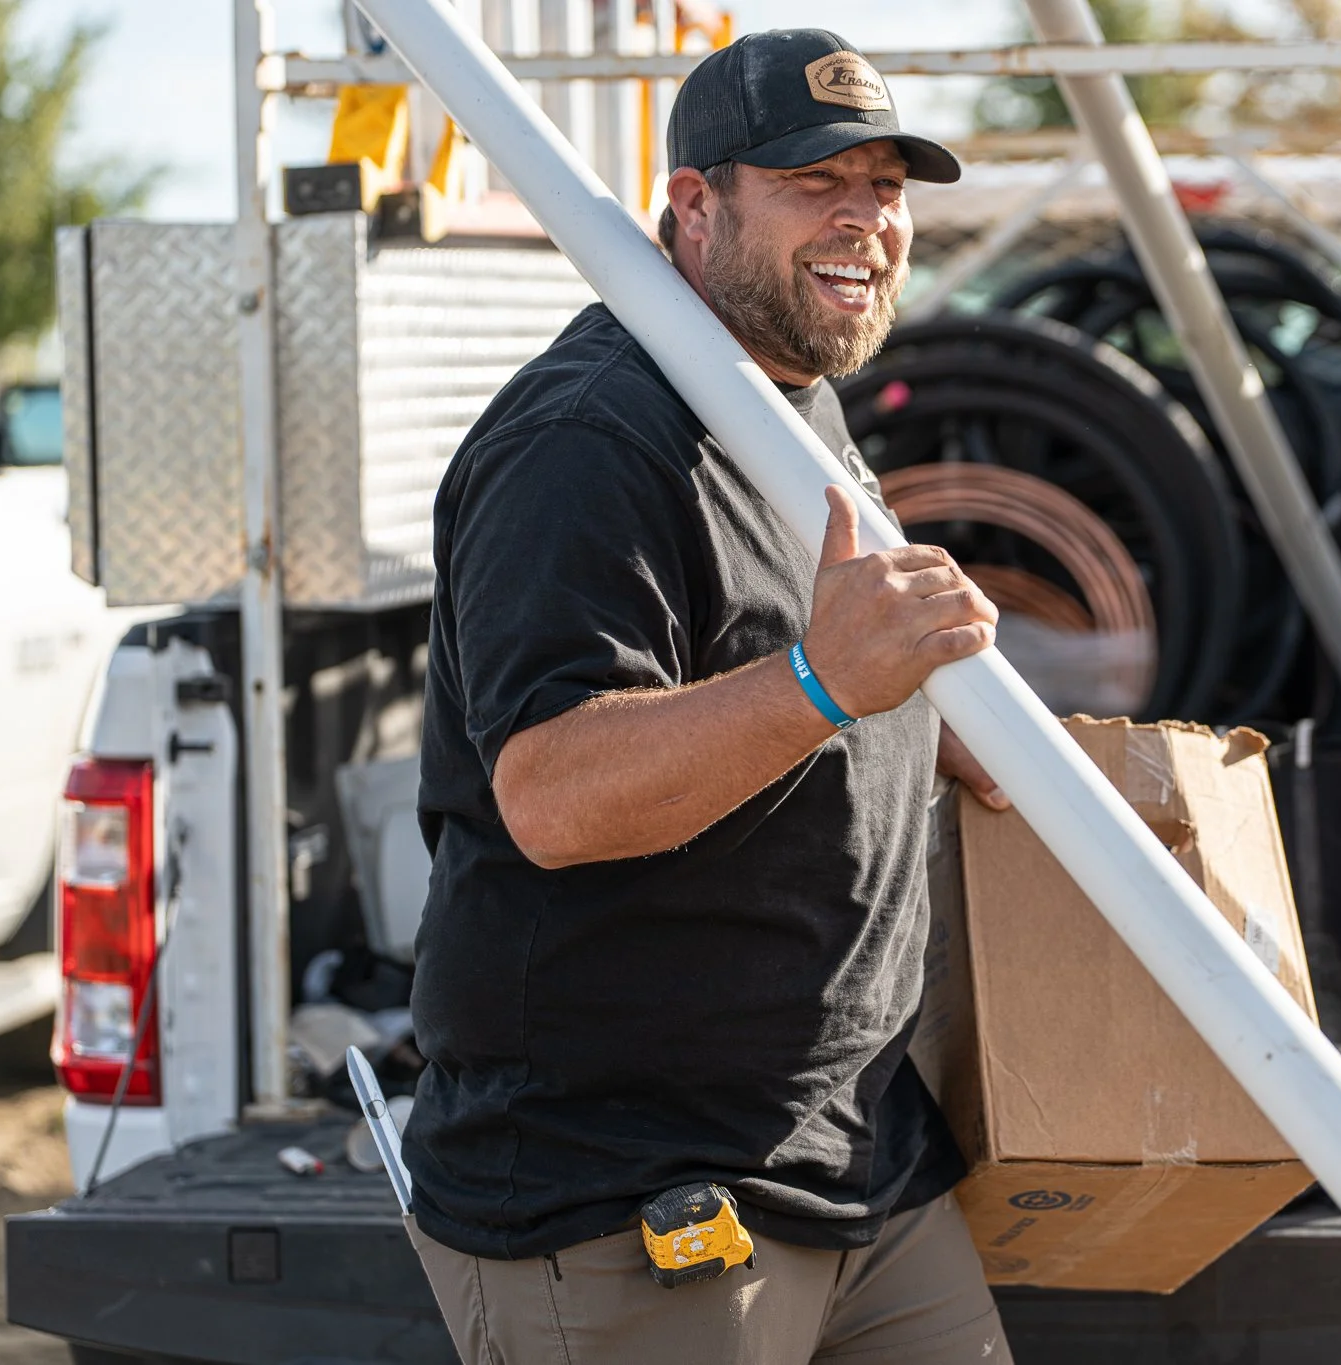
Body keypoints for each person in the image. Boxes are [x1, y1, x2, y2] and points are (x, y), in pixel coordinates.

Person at [403, 27, 1016, 1365]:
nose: (864, 220)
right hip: (630, 1197)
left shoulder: (785, 398)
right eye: (813, 182)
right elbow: (554, 796)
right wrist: (822, 682)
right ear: (696, 205)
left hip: (862, 1164)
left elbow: (807, 684)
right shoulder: (589, 439)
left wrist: (931, 731)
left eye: (887, 188)